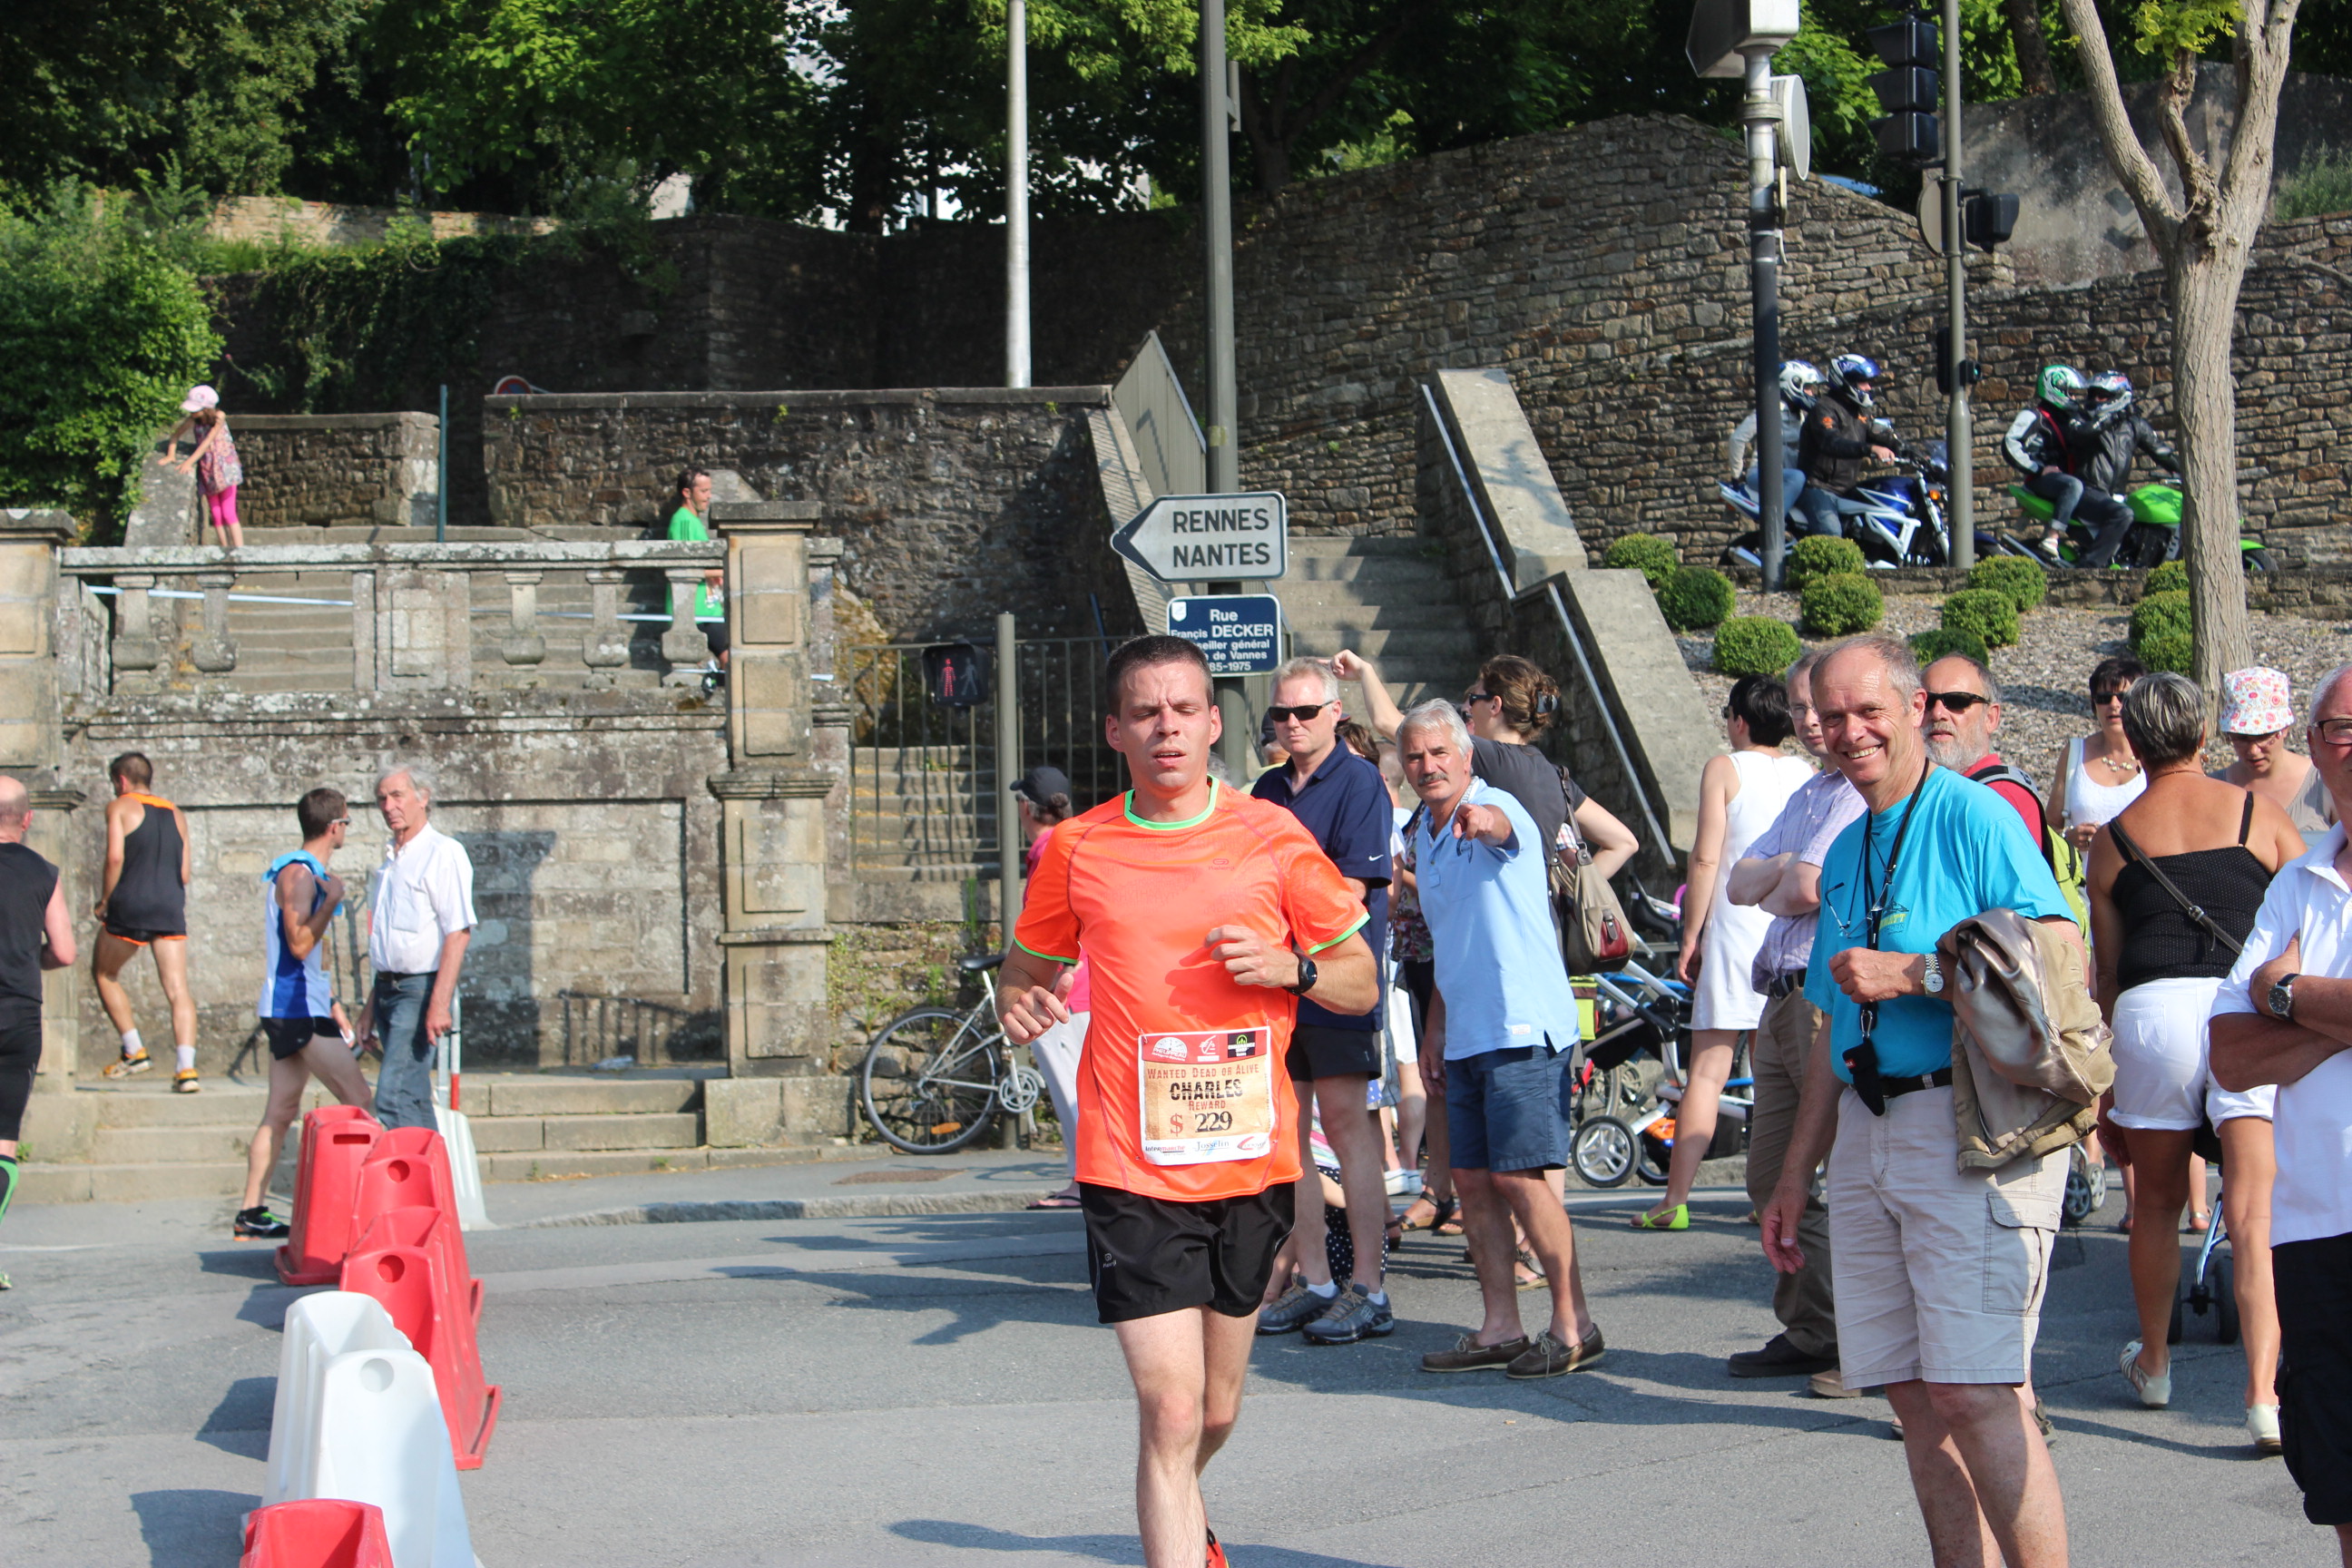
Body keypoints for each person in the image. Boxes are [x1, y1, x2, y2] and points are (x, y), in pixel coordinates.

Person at [996, 633, 1377, 1568]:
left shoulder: (1271, 836)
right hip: (1130, 1163)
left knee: (1214, 1411)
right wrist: (1017, 1002)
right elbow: (1023, 973)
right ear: (1116, 732)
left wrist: (1292, 968)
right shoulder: (1078, 847)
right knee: (1169, 1410)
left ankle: (1184, 1510)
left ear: (1213, 723)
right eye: (1145, 713)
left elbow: (1360, 980)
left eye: (1182, 710)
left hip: (1248, 1162)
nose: (1165, 728)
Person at [1760, 633, 2079, 1568]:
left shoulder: (1974, 815)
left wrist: (1914, 972)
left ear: (1913, 710)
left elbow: (2059, 954)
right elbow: (1832, 1029)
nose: (1849, 732)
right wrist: (1795, 1177)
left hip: (1970, 1125)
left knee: (1977, 1392)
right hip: (1871, 1128)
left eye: (1869, 711)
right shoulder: (1847, 845)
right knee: (1910, 1393)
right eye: (1832, 717)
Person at [2084, 673, 2300, 1452]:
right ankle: (2264, 1393)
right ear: (2205, 737)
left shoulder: (2113, 839)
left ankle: (2155, 1362)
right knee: (2253, 1211)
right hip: (2241, 1008)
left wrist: (2109, 1078)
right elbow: (2310, 917)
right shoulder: (2257, 814)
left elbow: (2109, 974)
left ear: (2134, 744)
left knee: (2155, 1204)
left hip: (2153, 1013)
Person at [1399, 700, 1605, 1379]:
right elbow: (1449, 940)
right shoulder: (1424, 834)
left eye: (1440, 753)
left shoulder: (1497, 805)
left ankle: (1574, 1324)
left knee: (1519, 1177)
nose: (1428, 766)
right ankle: (1501, 1327)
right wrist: (1435, 1029)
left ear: (1466, 756)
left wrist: (1483, 821)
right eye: (1414, 756)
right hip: (1465, 1032)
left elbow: (1503, 828)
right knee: (1470, 1181)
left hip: (1522, 1025)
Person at [2210, 662, 2352, 1563]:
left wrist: (2291, 996)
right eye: (2341, 729)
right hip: (2317, 1228)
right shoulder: (2299, 885)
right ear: (2316, 746)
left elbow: (2263, 1025)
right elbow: (2230, 1055)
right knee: (2340, 1479)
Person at [1722, 652, 1864, 1393]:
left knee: (1840, 1173)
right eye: (1802, 708)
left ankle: (1862, 1342)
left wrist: (1780, 872)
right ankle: (1815, 1328)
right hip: (1777, 995)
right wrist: (1784, 869)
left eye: (1821, 708)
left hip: (1821, 994)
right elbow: (1738, 882)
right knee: (1772, 1176)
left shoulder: (1855, 795)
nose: (1812, 722)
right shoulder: (1810, 793)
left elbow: (1802, 891)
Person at [1249, 658, 1396, 1346]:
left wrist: (1277, 899)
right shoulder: (1267, 788)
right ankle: (1316, 1279)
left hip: (1336, 975)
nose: (1292, 724)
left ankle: (1369, 1286)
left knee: (1345, 1126)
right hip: (1277, 981)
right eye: (1281, 713)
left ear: (1335, 713)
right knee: (1286, 1134)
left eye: (1305, 711)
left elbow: (1352, 887)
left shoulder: (1360, 781)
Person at [1644, 675, 1810, 1230]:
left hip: (1735, 928)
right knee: (1776, 1076)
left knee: (1708, 1071)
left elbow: (1705, 859)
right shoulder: (1806, 773)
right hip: (1787, 929)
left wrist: (1690, 933)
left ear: (1739, 719)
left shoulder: (1724, 768)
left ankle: (1675, 1199)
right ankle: (1774, 1196)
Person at [1329, 650, 1638, 886]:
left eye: (1473, 698)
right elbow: (1623, 842)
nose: (1467, 708)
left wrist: (1365, 671)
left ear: (1495, 705)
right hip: (1545, 930)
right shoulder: (1554, 774)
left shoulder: (1493, 757)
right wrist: (1572, 894)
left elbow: (1390, 723)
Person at [233, 789, 375, 1241]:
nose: (346, 830)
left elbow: (308, 958)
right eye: (347, 822)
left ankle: (250, 1212)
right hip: (296, 1009)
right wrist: (333, 899)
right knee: (361, 1100)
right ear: (334, 827)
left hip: (299, 1003)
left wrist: (332, 1002)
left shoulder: (303, 872)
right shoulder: (302, 875)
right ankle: (369, 1205)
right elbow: (298, 944)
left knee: (281, 1110)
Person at [355, 767, 477, 1132]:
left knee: (393, 1096)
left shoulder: (443, 853)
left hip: (419, 990)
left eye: (397, 795)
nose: (388, 806)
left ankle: (406, 1168)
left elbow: (458, 931)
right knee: (412, 1095)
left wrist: (439, 1003)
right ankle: (433, 1169)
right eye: (382, 798)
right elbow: (390, 946)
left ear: (422, 798)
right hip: (387, 988)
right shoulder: (390, 862)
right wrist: (370, 1008)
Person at [0, 777, 77, 1286]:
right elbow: (65, 952)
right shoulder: (44, 872)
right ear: (27, 819)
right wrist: (31, 958)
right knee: (4, 1141)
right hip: (18, 1013)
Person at [91, 752, 199, 1091]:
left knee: (104, 973)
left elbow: (114, 857)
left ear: (121, 780)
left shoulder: (120, 806)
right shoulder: (176, 813)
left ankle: (134, 1049)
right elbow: (184, 873)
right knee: (178, 989)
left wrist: (105, 901)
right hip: (170, 906)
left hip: (131, 903)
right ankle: (186, 1069)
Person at [1014, 765, 1087, 1210]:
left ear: (1027, 808)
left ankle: (1082, 1183)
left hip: (1062, 991)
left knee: (1070, 1089)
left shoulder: (1048, 848)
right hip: (1085, 985)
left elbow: (1056, 922)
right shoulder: (1075, 839)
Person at [2212, 667, 2336, 848]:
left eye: (2263, 737)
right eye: (2242, 738)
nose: (2254, 750)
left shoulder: (2322, 783)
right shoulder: (2214, 786)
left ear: (2284, 729)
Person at [2072, 372, 2180, 568]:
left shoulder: (2135, 425)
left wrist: (2188, 474)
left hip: (2116, 497)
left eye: (2102, 395)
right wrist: (2113, 417)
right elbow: (2081, 434)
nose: (2096, 399)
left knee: (2140, 524)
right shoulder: (2082, 418)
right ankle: (2088, 569)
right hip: (2087, 491)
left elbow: (2162, 453)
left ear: (2119, 396)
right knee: (2123, 514)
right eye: (2093, 394)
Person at [2047, 654, 2150, 856]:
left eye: (2123, 697)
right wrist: (2068, 838)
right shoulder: (2074, 754)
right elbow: (2049, 827)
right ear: (2094, 705)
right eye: (2104, 698)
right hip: (2085, 874)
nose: (2114, 704)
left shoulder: (2156, 753)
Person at [1792, 353, 1898, 541]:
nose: (1868, 387)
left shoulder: (1860, 411)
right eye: (1863, 382)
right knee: (1832, 535)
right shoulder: (1824, 408)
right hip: (1818, 488)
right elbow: (1830, 442)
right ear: (1846, 381)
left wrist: (1913, 452)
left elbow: (1879, 434)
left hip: (1847, 490)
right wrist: (1870, 449)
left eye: (1869, 382)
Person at [1727, 360, 1824, 522]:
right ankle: (1774, 523)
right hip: (1762, 474)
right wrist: (1736, 476)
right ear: (1793, 384)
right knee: (1797, 477)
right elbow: (1737, 439)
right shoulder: (1769, 410)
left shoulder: (1801, 415)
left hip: (1788, 477)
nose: (1812, 393)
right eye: (1808, 388)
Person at [2003, 365, 2090, 540]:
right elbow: (2009, 443)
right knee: (2073, 485)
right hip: (2043, 479)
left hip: (2066, 479)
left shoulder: (2071, 417)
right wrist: (2038, 469)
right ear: (2055, 389)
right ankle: (2053, 536)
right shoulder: (2034, 415)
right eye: (2070, 393)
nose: (2073, 398)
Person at [160, 385, 244, 550]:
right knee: (216, 514)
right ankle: (225, 549)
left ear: (206, 409)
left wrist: (188, 462)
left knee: (228, 513)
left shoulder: (219, 417)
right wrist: (171, 455)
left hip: (226, 470)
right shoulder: (193, 420)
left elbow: (207, 442)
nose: (191, 413)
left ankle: (240, 550)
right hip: (208, 471)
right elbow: (175, 435)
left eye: (195, 409)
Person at [667, 467, 728, 666]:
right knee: (730, 659)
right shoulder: (683, 521)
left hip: (707, 609)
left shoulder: (693, 520)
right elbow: (685, 569)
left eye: (709, 491)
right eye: (703, 491)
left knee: (732, 658)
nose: (708, 496)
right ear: (687, 493)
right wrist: (727, 571)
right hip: (695, 611)